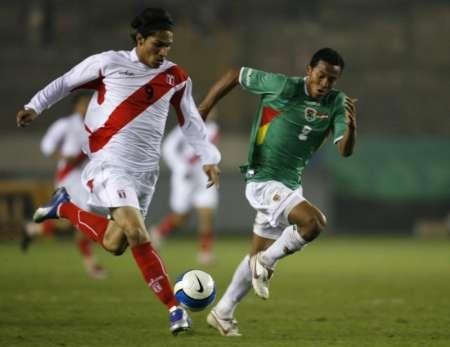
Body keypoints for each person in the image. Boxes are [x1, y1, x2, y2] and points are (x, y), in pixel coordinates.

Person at [16, 8, 221, 335]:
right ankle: (174, 310)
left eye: (168, 45)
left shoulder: (176, 77)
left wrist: (209, 155)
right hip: (108, 164)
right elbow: (66, 82)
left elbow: (191, 121)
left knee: (116, 243)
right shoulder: (108, 63)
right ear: (139, 40)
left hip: (145, 175)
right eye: (157, 44)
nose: (164, 52)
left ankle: (63, 207)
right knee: (140, 233)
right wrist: (35, 105)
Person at [197, 47, 357, 336]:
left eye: (332, 80)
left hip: (289, 184)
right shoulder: (283, 86)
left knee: (254, 256)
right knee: (313, 222)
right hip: (263, 178)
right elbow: (236, 74)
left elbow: (344, 150)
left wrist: (353, 127)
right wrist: (205, 107)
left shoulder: (337, 103)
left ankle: (222, 312)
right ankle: (268, 261)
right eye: (320, 76)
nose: (325, 84)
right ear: (309, 70)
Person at [21, 93, 107, 279]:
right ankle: (92, 265)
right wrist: (61, 157)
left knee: (69, 223)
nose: (87, 106)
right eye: (84, 103)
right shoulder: (66, 125)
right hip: (69, 176)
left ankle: (33, 228)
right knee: (85, 215)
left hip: (86, 177)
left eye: (89, 103)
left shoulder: (96, 125)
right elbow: (46, 145)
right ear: (76, 107)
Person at [151, 112, 220, 265]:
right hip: (185, 178)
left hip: (204, 177)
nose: (214, 111)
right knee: (181, 216)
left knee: (207, 213)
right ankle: (159, 232)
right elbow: (168, 147)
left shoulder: (213, 128)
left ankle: (205, 253)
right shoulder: (186, 126)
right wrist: (180, 166)